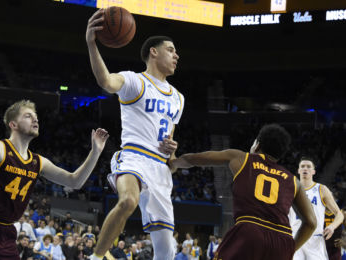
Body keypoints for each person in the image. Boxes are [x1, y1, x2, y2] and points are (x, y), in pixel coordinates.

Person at [86, 9, 184, 260]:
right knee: (128, 201)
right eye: (171, 49)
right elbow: (105, 81)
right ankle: (95, 258)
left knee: (166, 250)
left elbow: (170, 141)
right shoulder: (134, 81)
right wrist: (91, 43)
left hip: (160, 168)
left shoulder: (178, 98)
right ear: (154, 52)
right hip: (134, 157)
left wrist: (173, 150)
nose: (176, 55)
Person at [0, 100, 109, 259]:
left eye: (36, 117)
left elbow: (74, 182)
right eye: (28, 116)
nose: (35, 119)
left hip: (7, 234)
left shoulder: (38, 162)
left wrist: (95, 152)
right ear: (13, 124)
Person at [169, 124, 317, 260]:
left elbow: (196, 159)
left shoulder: (242, 158)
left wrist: (175, 162)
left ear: (257, 145)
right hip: (282, 240)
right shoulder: (293, 181)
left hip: (250, 231)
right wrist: (290, 248)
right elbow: (311, 222)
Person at [288, 157, 344, 260]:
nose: (305, 168)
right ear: (299, 170)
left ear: (313, 171)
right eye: (302, 166)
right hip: (295, 238)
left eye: (308, 167)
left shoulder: (321, 189)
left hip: (315, 239)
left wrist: (332, 226)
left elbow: (339, 214)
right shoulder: (290, 189)